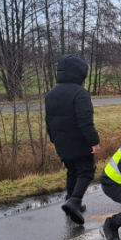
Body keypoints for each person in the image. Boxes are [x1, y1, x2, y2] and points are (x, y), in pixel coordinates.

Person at [45, 54, 100, 225]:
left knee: (72, 170)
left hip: (60, 140)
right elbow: (85, 121)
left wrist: (54, 139)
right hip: (79, 141)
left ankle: (70, 199)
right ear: (80, 73)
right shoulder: (80, 93)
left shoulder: (51, 92)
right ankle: (74, 201)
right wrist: (94, 141)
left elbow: (48, 119)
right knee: (87, 170)